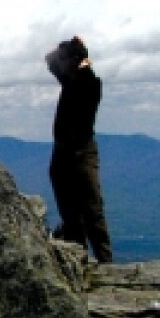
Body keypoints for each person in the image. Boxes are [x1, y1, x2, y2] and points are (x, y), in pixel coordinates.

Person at [46, 36, 112, 264]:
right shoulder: (70, 79)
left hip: (81, 152)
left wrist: (81, 57)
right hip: (63, 153)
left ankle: (104, 261)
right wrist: (72, 49)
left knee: (92, 209)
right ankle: (80, 258)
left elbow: (72, 75)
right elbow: (50, 61)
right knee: (70, 211)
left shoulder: (90, 83)